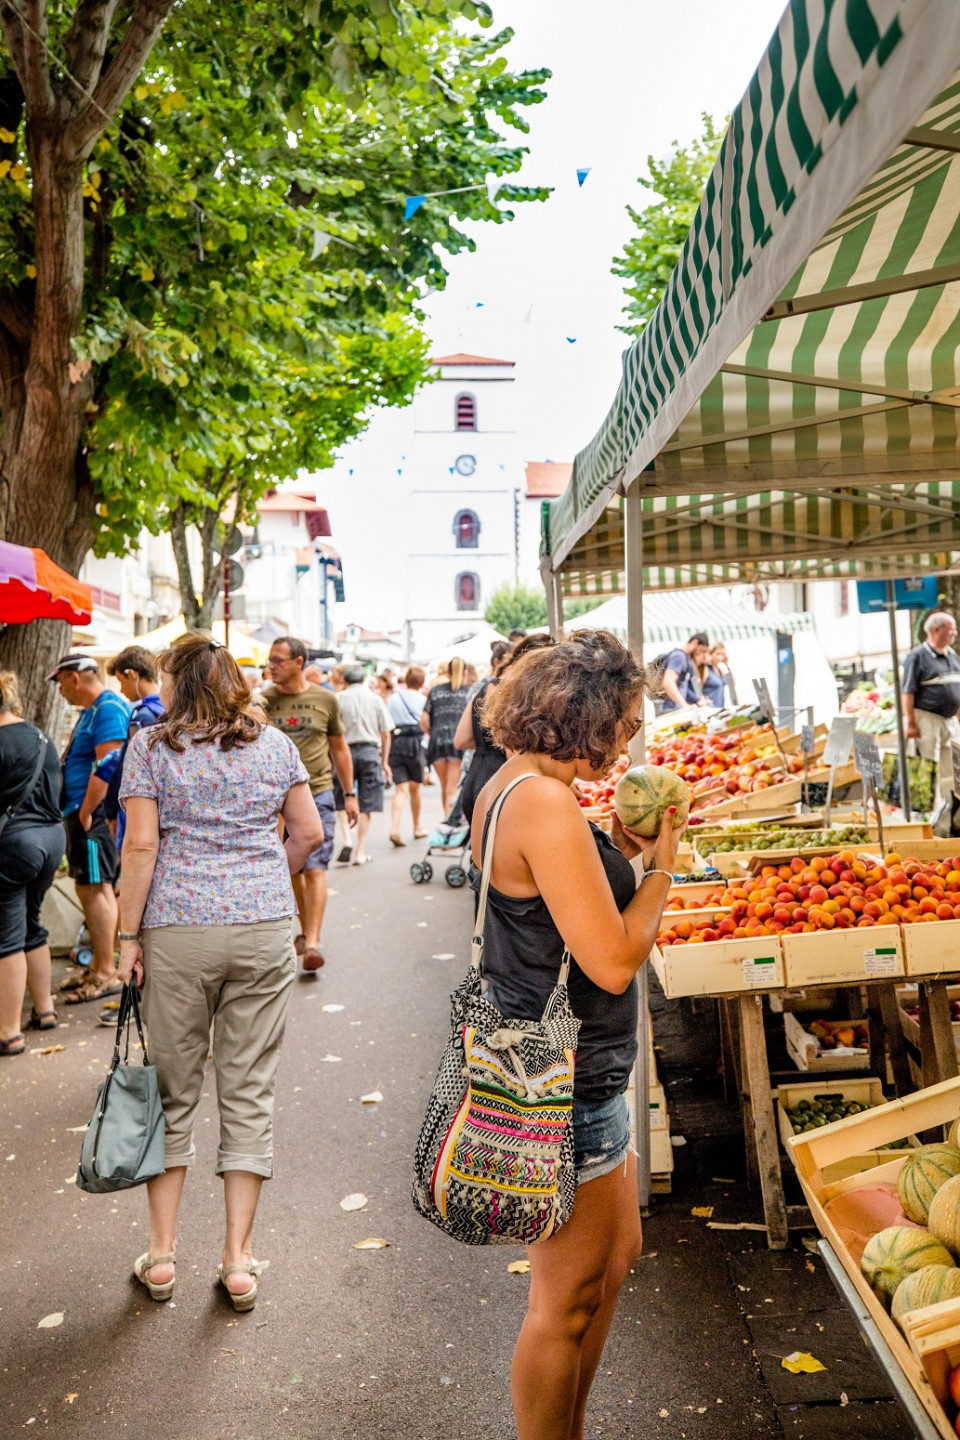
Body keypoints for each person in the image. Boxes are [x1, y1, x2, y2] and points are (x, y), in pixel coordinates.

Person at [470, 630, 681, 1440]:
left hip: (567, 1067)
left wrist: (618, 858)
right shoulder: (546, 803)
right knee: (563, 1302)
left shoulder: (510, 785)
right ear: (584, 717)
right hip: (564, 1080)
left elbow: (564, 908)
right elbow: (615, 960)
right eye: (623, 722)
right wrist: (661, 866)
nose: (627, 740)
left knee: (615, 1255)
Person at [116, 632, 324, 1311]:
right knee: (249, 1091)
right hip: (263, 930)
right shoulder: (274, 746)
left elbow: (141, 845)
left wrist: (126, 935)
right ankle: (238, 1262)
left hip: (178, 930)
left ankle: (163, 1255)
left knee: (174, 1094)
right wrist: (265, 880)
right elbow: (309, 834)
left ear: (174, 683)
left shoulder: (150, 748)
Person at [260, 637, 359, 968]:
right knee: (291, 868)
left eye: (278, 660)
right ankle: (303, 931)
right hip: (272, 800)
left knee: (315, 866)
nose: (270, 666)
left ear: (299, 662)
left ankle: (313, 942)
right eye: (269, 661)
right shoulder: (262, 701)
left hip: (316, 792)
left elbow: (339, 748)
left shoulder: (325, 699)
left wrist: (349, 794)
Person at [47, 654, 130, 1004]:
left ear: (75, 677)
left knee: (97, 888)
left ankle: (106, 972)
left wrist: (88, 811)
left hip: (89, 813)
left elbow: (109, 764)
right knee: (88, 886)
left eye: (61, 681)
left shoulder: (108, 707)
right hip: (81, 811)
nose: (61, 689)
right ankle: (99, 962)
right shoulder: (94, 710)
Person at [0, 672, 65, 1054]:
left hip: (13, 844)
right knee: (31, 924)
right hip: (51, 840)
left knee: (5, 937)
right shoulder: (41, 736)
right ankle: (45, 1010)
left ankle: (8, 1032)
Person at [104, 646, 166, 849]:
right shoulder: (167, 709)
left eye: (121, 682)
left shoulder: (143, 716)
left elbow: (127, 767)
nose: (121, 690)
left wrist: (110, 808)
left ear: (131, 674)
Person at [332, 664, 393, 866]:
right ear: (363, 680)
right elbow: (385, 733)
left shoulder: (337, 699)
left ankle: (347, 839)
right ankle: (359, 851)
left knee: (342, 796)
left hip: (343, 751)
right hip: (369, 751)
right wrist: (384, 761)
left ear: (345, 680)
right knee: (367, 802)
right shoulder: (374, 698)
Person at [903, 612, 960, 800]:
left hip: (950, 721)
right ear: (936, 629)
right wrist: (911, 723)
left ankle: (948, 817)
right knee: (929, 769)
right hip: (927, 720)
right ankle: (931, 816)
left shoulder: (952, 656)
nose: (955, 633)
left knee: (951, 771)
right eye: (951, 629)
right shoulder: (918, 656)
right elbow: (908, 691)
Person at [420, 656, 470, 812]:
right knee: (452, 789)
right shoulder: (468, 693)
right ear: (465, 673)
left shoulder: (435, 692)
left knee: (445, 787)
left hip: (437, 744)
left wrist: (433, 732)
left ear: (447, 672)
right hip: (457, 744)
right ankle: (450, 827)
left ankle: (446, 820)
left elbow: (423, 721)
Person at [387, 666, 429, 846]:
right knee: (415, 788)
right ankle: (417, 827)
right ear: (421, 682)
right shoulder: (422, 699)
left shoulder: (394, 698)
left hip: (396, 742)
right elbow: (426, 723)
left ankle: (395, 828)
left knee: (400, 789)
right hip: (415, 743)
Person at [656, 632, 710, 712]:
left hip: (675, 708)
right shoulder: (679, 656)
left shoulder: (685, 658)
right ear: (694, 642)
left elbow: (684, 687)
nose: (701, 654)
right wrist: (684, 705)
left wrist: (697, 699)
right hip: (670, 709)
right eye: (701, 650)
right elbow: (668, 682)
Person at [700, 643, 737, 709]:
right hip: (709, 709)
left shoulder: (719, 670)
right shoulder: (706, 669)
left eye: (722, 654)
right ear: (711, 653)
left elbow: (732, 684)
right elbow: (698, 689)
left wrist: (727, 665)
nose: (720, 657)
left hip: (719, 708)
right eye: (717, 654)